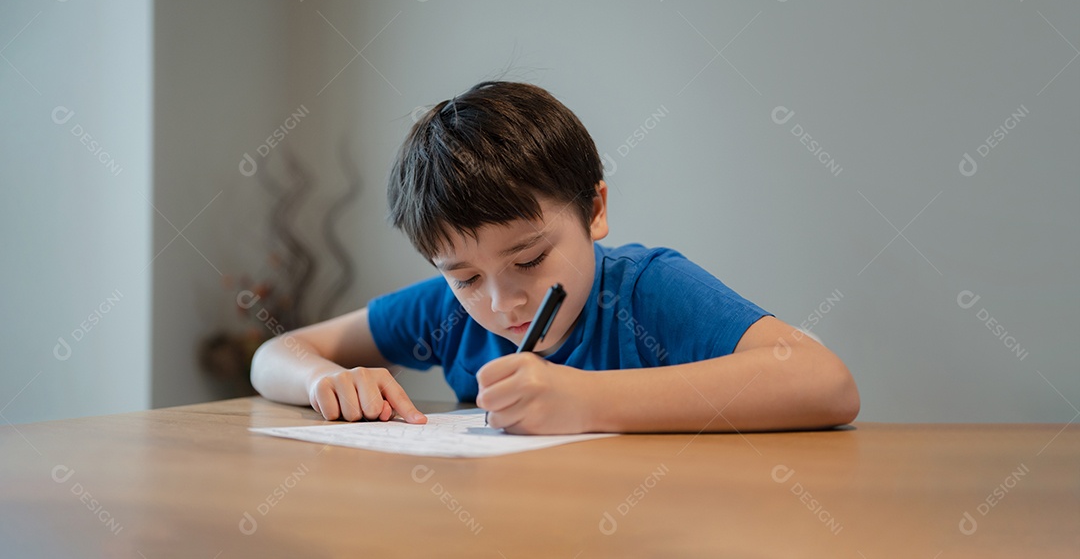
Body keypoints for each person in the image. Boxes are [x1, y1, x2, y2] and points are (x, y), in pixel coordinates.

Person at [250, 81, 860, 434]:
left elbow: (825, 383)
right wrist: (325, 379)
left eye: (529, 259)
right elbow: (274, 353)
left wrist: (585, 400)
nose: (501, 301)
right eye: (465, 277)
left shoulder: (645, 290)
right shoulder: (448, 313)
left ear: (594, 211)